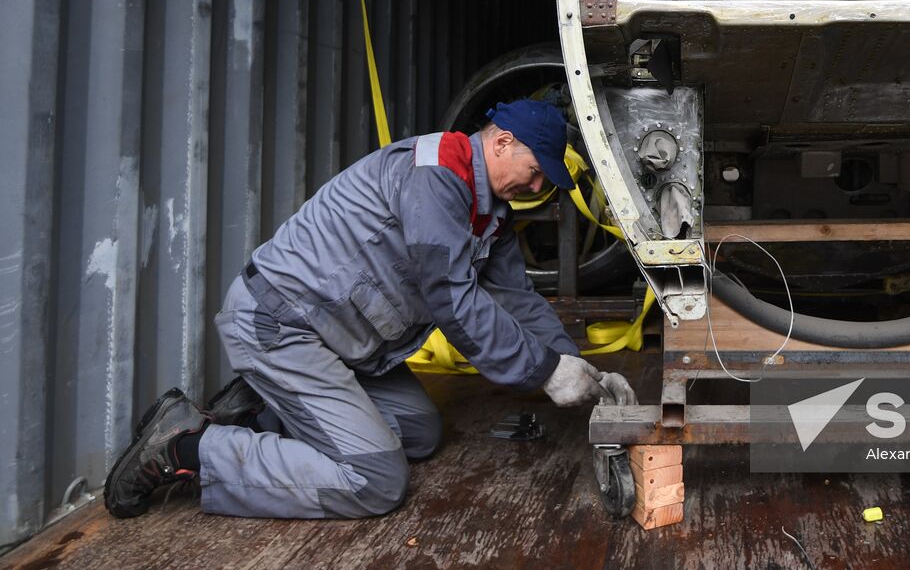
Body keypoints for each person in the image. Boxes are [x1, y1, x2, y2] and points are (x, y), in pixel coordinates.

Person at [103, 99, 635, 519]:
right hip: (283, 325)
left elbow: (517, 299)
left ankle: (259, 411)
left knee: (421, 435)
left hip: (337, 342)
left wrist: (575, 364)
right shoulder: (436, 175)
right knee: (375, 479)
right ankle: (185, 449)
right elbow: (453, 299)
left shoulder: (488, 209)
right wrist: (543, 371)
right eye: (536, 171)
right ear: (501, 141)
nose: (537, 187)